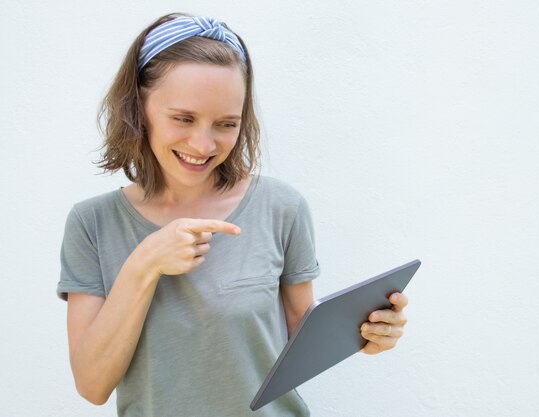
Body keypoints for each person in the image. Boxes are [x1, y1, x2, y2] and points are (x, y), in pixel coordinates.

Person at [57, 12, 409, 417]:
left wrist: (368, 334)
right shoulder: (92, 224)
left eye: (226, 124)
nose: (203, 144)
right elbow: (92, 385)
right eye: (183, 118)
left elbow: (300, 343)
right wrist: (144, 263)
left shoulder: (282, 208)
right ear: (139, 106)